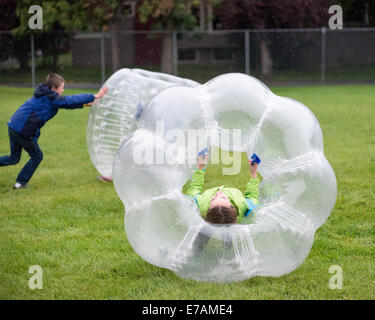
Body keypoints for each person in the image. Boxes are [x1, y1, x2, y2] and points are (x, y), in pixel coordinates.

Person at [0, 73, 108, 189]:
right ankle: (20, 183)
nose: (63, 90)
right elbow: (68, 100)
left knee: (13, 158)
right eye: (61, 88)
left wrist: (85, 104)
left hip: (13, 126)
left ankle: (20, 182)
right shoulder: (50, 97)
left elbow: (64, 104)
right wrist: (94, 96)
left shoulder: (45, 94)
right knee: (37, 156)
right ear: (53, 89)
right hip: (23, 130)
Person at [186, 154, 260, 224]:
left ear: (207, 210)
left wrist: (200, 168)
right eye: (224, 198)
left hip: (210, 219)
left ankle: (207, 232)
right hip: (230, 224)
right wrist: (253, 173)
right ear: (233, 208)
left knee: (210, 227)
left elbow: (194, 189)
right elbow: (252, 195)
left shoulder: (200, 204)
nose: (219, 193)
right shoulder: (244, 207)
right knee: (227, 229)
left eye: (213, 199)